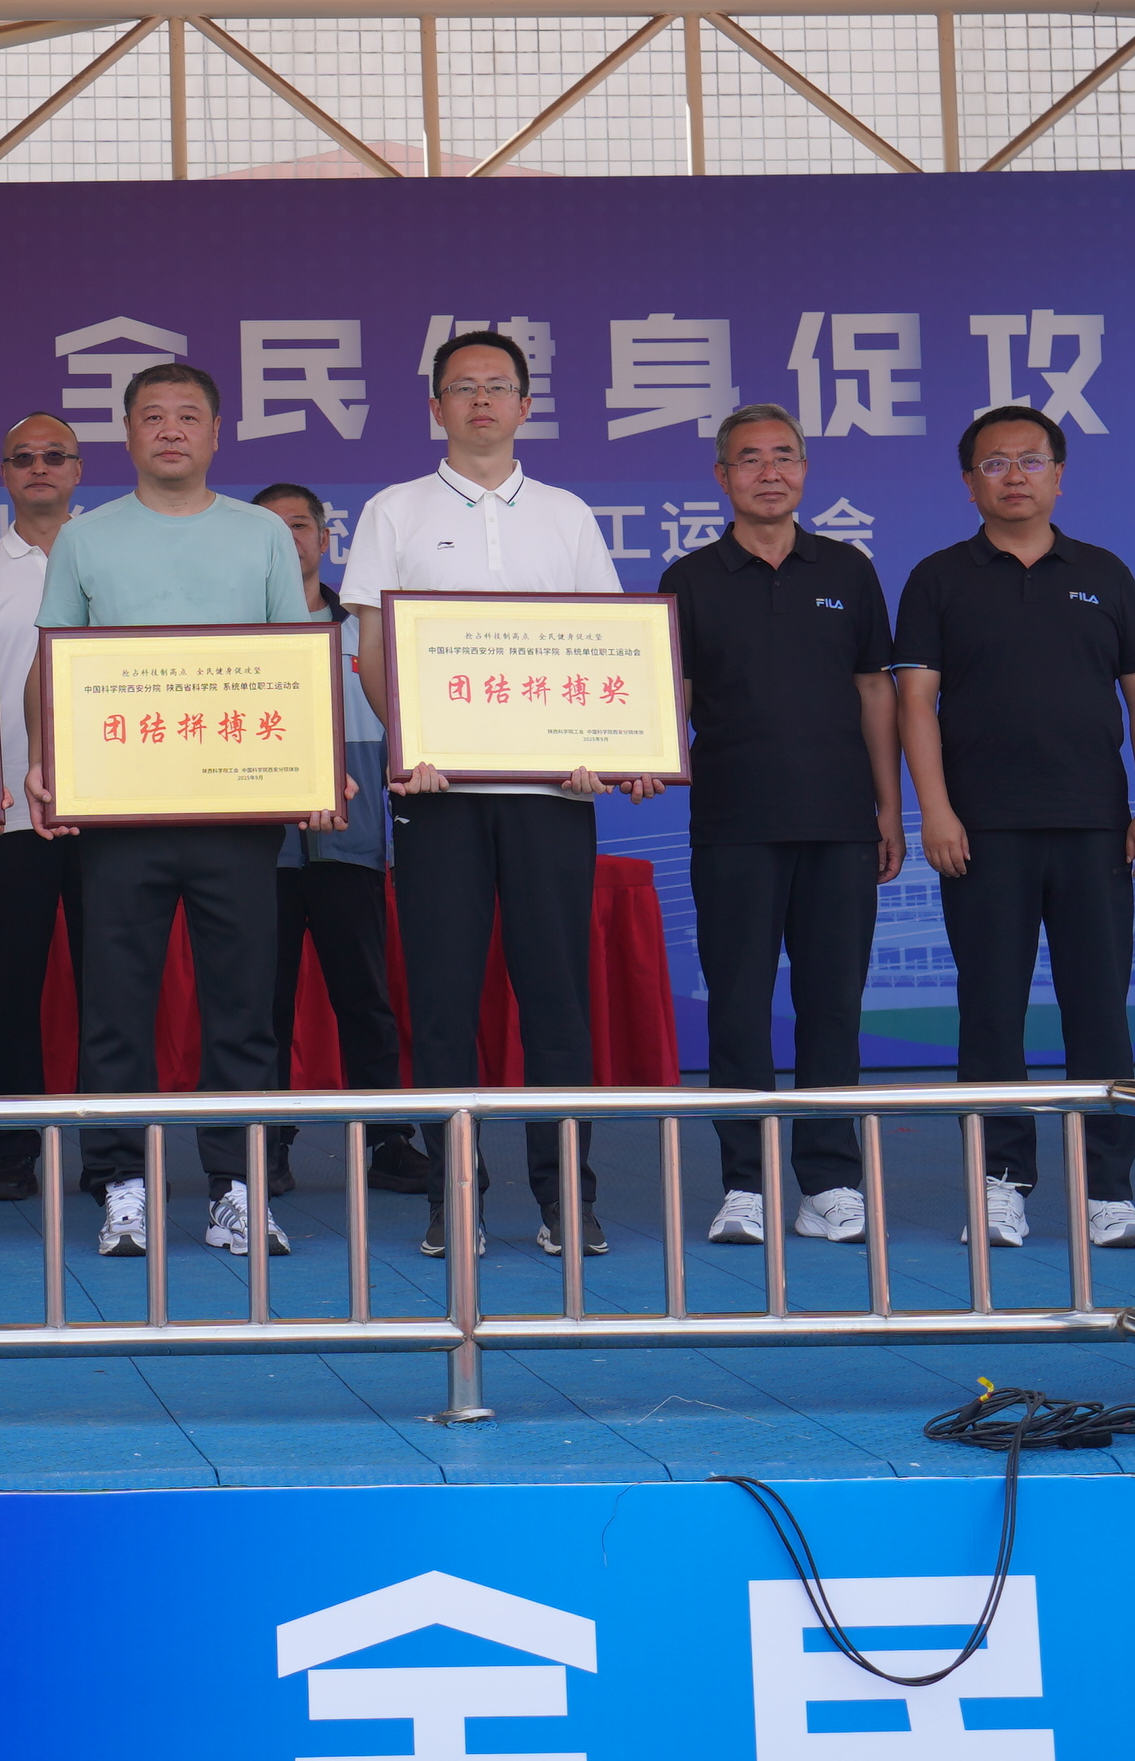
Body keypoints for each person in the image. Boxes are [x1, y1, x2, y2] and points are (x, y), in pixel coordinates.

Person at [343, 329, 657, 1262]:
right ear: (434, 407)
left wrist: (606, 748)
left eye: (497, 386)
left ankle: (567, 1197)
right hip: (437, 792)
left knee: (556, 999)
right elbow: (372, 650)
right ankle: (456, 1197)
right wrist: (411, 743)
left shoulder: (565, 514)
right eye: (462, 387)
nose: (480, 400)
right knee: (441, 1001)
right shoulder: (394, 510)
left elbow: (604, 643)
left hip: (552, 795)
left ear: (526, 405)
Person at [28, 362, 322, 1261]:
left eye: (188, 416)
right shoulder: (85, 538)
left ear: (216, 434)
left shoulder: (260, 534)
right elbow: (51, 663)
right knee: (116, 1006)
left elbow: (294, 659)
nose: (169, 430)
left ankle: (237, 1186)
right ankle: (121, 1183)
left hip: (237, 812)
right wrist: (44, 762)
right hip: (121, 816)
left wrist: (312, 768)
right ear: (127, 435)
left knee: (243, 1006)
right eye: (151, 416)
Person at [891, 406, 1135, 1252]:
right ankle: (1001, 1182)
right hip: (982, 833)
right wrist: (936, 809)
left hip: (1095, 827)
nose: (1014, 476)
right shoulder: (939, 578)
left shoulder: (1104, 572)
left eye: (1031, 460)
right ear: (968, 481)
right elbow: (914, 701)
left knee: (1101, 1012)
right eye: (994, 463)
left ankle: (1108, 1191)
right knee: (990, 1012)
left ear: (1059, 474)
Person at [659, 407, 900, 1249]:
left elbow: (875, 689)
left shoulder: (848, 569)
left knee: (832, 1005)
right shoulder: (690, 577)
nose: (770, 473)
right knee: (737, 1007)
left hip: (840, 822)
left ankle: (829, 1181)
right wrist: (643, 757)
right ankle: (745, 1184)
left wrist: (887, 807)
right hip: (734, 822)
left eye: (785, 457)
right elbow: (672, 697)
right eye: (750, 459)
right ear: (721, 477)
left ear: (805, 470)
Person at [252, 482, 422, 1199]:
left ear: (325, 539)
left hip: (352, 846)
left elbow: (402, 734)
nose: (287, 538)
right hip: (262, 853)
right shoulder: (236, 631)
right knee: (262, 1004)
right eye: (270, 527)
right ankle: (266, 1143)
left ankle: (387, 1140)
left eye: (300, 525)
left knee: (365, 999)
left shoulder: (364, 632)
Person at [0, 413, 87, 1199]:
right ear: (4, 474)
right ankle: (12, 1151)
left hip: (108, 812)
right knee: (9, 987)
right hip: (6, 810)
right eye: (24, 458)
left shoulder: (108, 553)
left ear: (78, 470)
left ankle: (115, 1157)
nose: (40, 468)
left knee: (112, 988)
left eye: (55, 456)